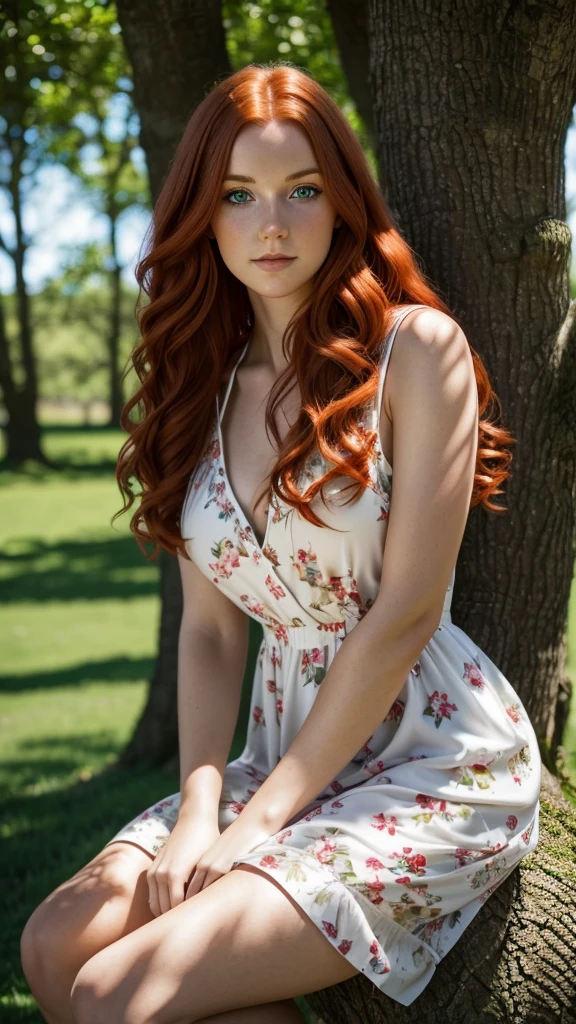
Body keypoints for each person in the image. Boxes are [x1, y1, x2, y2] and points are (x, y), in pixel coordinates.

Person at [21, 60, 541, 1024]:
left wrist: (256, 827)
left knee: (113, 994)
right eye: (238, 196)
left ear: (343, 205)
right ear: (201, 215)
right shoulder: (198, 387)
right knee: (56, 949)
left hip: (427, 759)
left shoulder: (416, 352)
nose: (272, 224)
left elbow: (408, 613)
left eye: (302, 191)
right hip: (277, 752)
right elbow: (213, 635)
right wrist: (200, 808)